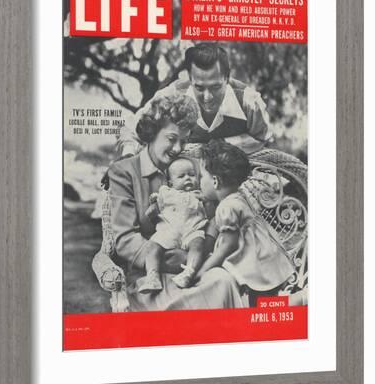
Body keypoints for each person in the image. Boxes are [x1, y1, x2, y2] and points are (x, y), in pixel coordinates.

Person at [109, 93, 247, 312]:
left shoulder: (194, 167)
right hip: (150, 277)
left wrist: (198, 254)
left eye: (184, 141)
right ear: (153, 132)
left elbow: (213, 214)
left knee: (223, 280)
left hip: (194, 264)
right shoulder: (125, 172)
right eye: (172, 139)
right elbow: (125, 238)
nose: (177, 149)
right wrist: (169, 260)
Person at [118, 42, 272, 156]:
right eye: (199, 87)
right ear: (190, 78)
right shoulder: (173, 94)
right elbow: (132, 128)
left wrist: (219, 146)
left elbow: (263, 141)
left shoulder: (249, 101)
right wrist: (128, 156)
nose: (207, 98)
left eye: (215, 87)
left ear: (227, 78)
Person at [197, 139, 295, 291]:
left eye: (201, 176)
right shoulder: (239, 197)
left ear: (215, 181)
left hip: (255, 265)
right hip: (269, 259)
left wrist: (203, 270)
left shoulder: (226, 207)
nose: (199, 181)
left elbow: (228, 245)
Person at [138, 156, 208, 293]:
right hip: (168, 231)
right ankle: (152, 276)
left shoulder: (200, 194)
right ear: (170, 182)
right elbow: (152, 211)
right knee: (152, 246)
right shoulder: (166, 193)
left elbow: (209, 215)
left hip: (192, 231)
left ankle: (189, 273)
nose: (188, 178)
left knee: (199, 244)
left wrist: (206, 201)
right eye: (181, 176)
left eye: (192, 175)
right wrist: (153, 206)